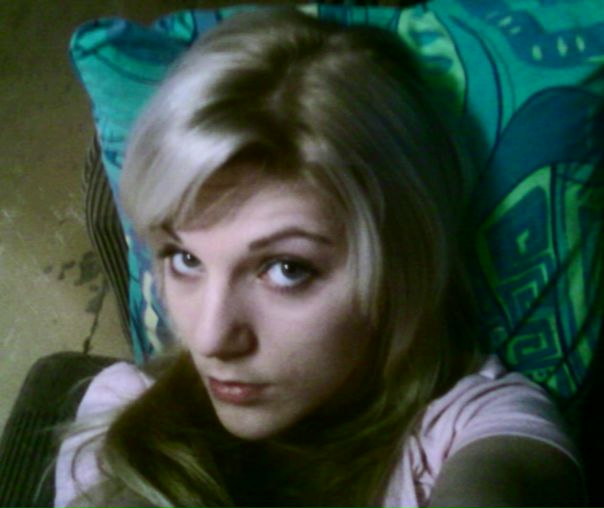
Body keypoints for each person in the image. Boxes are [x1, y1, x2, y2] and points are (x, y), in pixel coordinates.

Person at [54, 8, 584, 508]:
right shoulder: (124, 412)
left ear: (400, 270)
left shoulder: (481, 426)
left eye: (287, 269)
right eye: (185, 259)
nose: (210, 339)